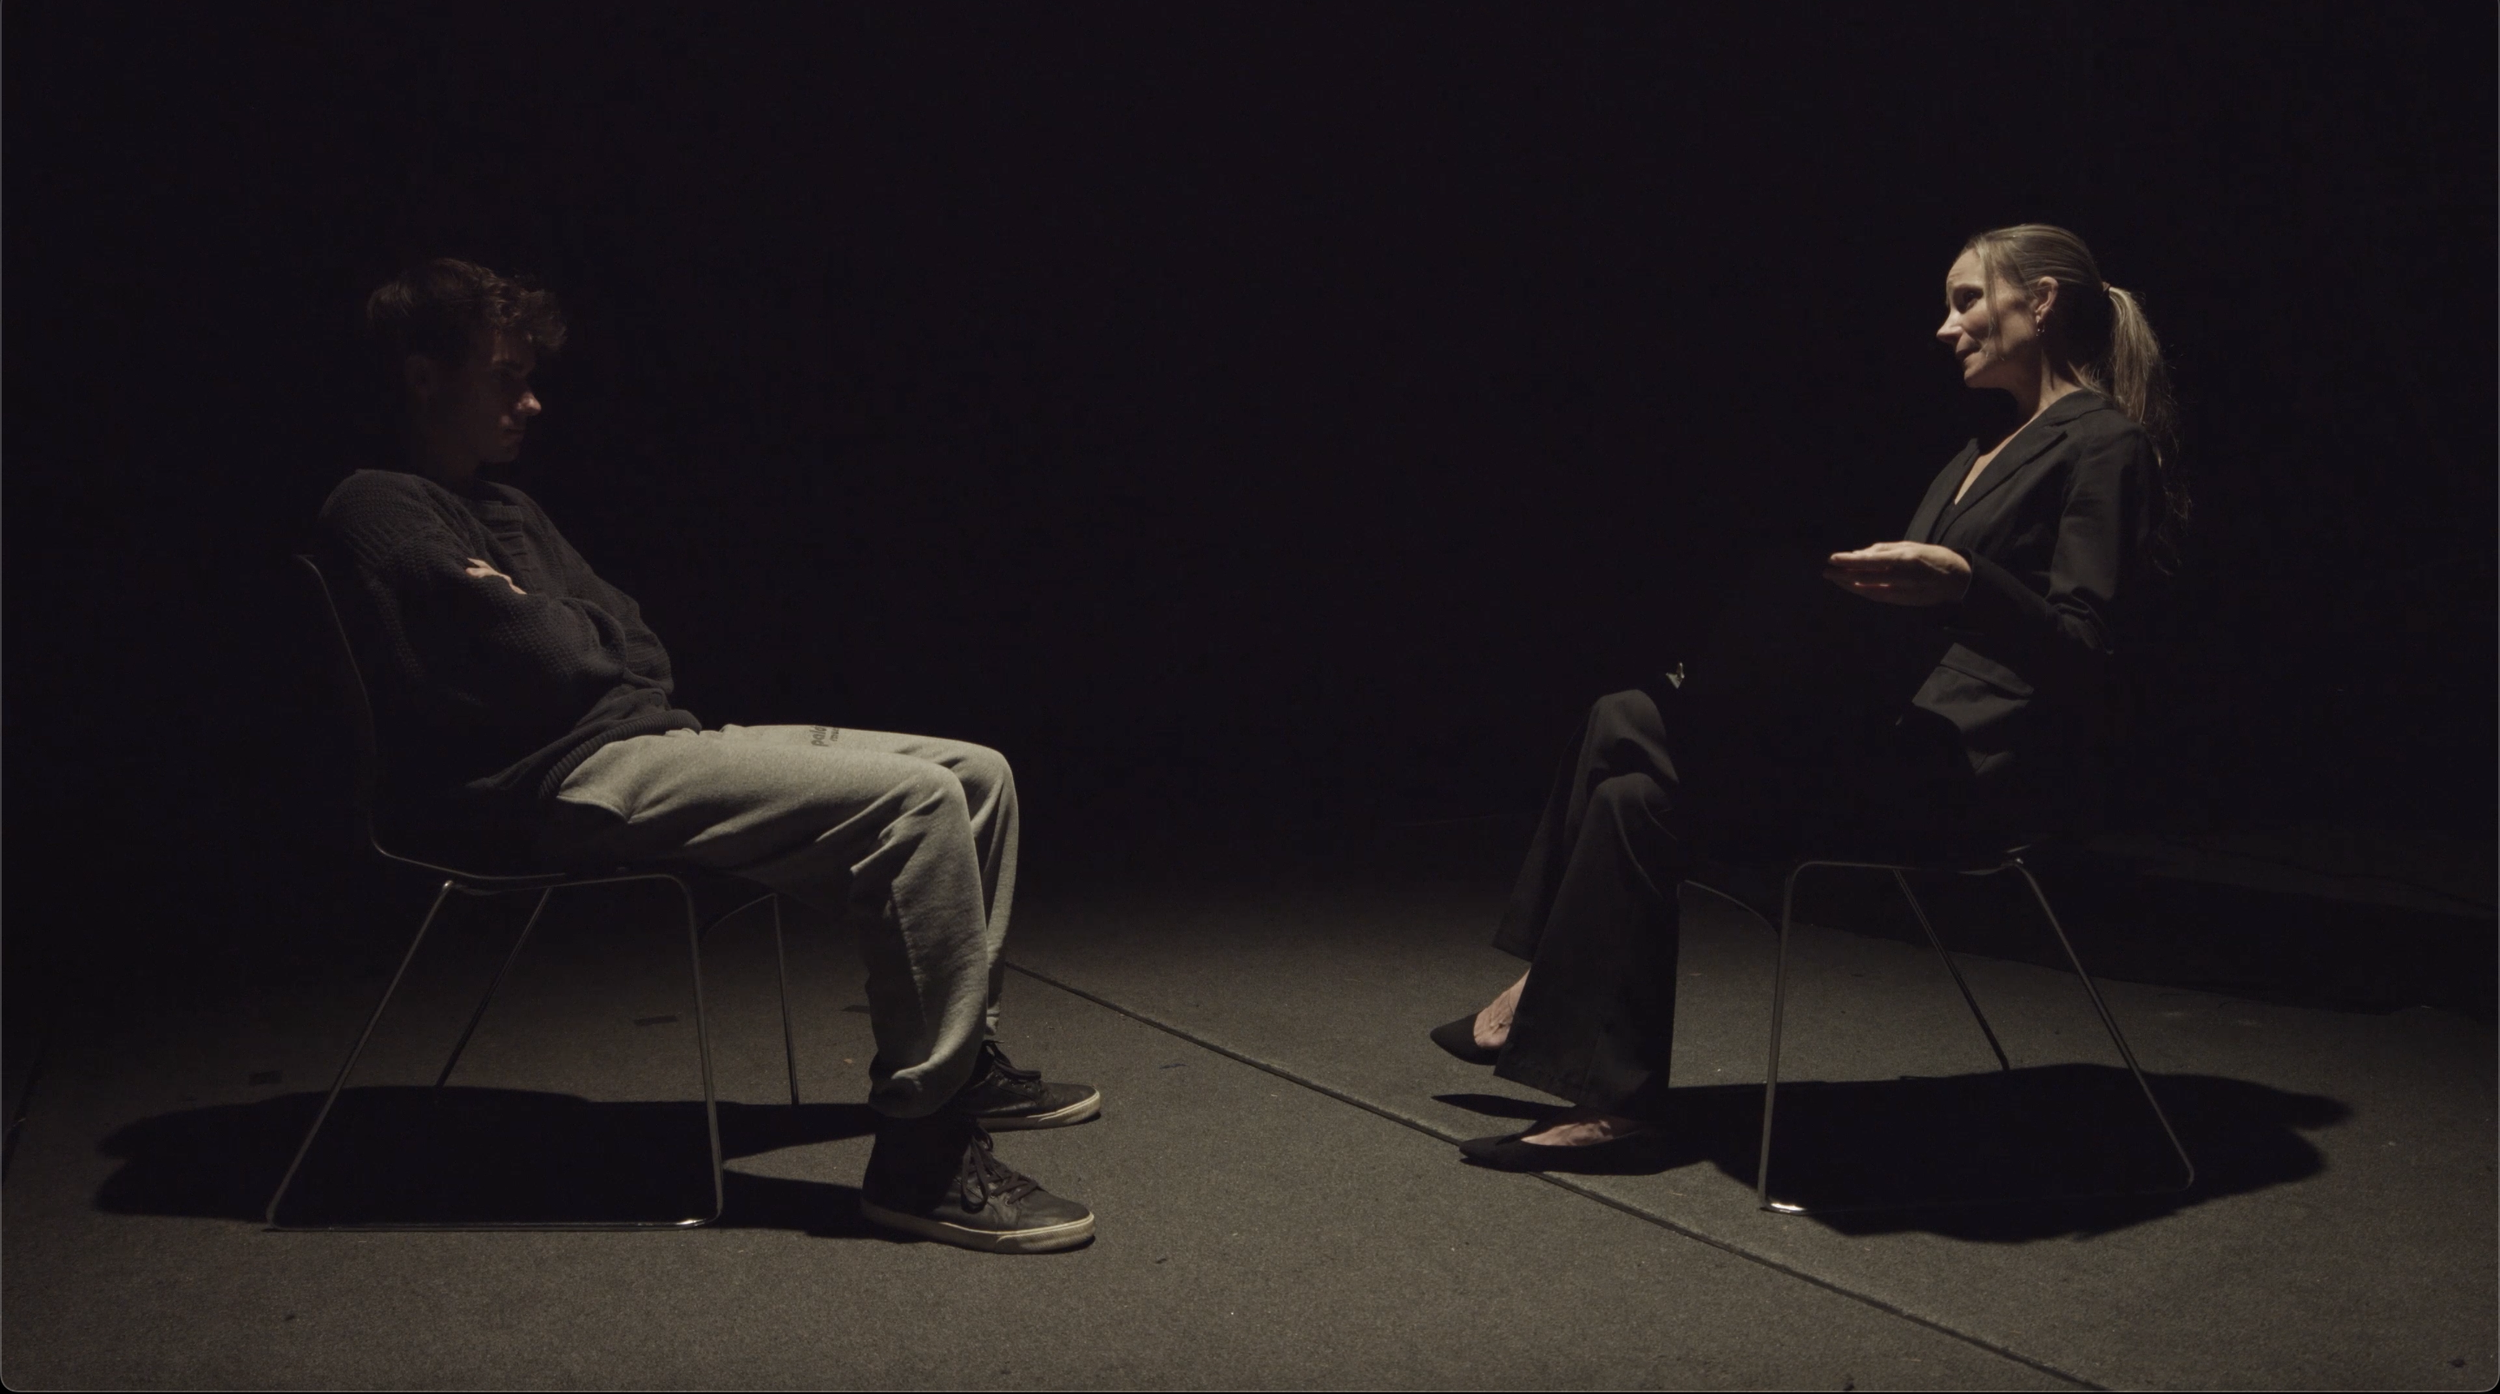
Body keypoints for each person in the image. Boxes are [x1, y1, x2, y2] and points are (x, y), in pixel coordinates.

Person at [312, 258, 1098, 1252]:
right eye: (505, 377)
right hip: (549, 783)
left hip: (637, 739)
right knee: (917, 803)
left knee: (978, 773)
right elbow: (554, 655)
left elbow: (636, 644)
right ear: (425, 377)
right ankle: (922, 1150)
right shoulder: (378, 507)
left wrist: (562, 630)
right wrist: (570, 637)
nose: (532, 401)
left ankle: (962, 1064)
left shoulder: (506, 509)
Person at [1431, 223, 2187, 1168]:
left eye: (1966, 300)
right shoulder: (1979, 449)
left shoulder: (2105, 444)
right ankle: (1614, 1106)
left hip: (1972, 774)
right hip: (1893, 739)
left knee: (1624, 720)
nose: (1945, 327)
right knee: (1631, 794)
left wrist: (1966, 583)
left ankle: (1549, 1003)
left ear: (2039, 303)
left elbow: (2088, 650)